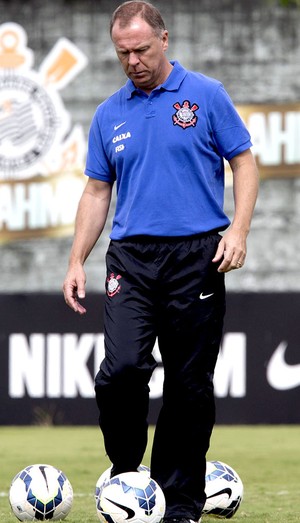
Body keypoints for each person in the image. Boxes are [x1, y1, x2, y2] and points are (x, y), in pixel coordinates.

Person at [63, 1, 259, 522]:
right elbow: (97, 191)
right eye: (123, 52)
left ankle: (181, 506)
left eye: (142, 49)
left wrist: (237, 230)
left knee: (188, 385)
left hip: (197, 255)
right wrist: (76, 259)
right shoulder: (109, 112)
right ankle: (126, 475)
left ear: (164, 40)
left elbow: (243, 161)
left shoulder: (206, 95)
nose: (133, 60)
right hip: (130, 259)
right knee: (120, 370)